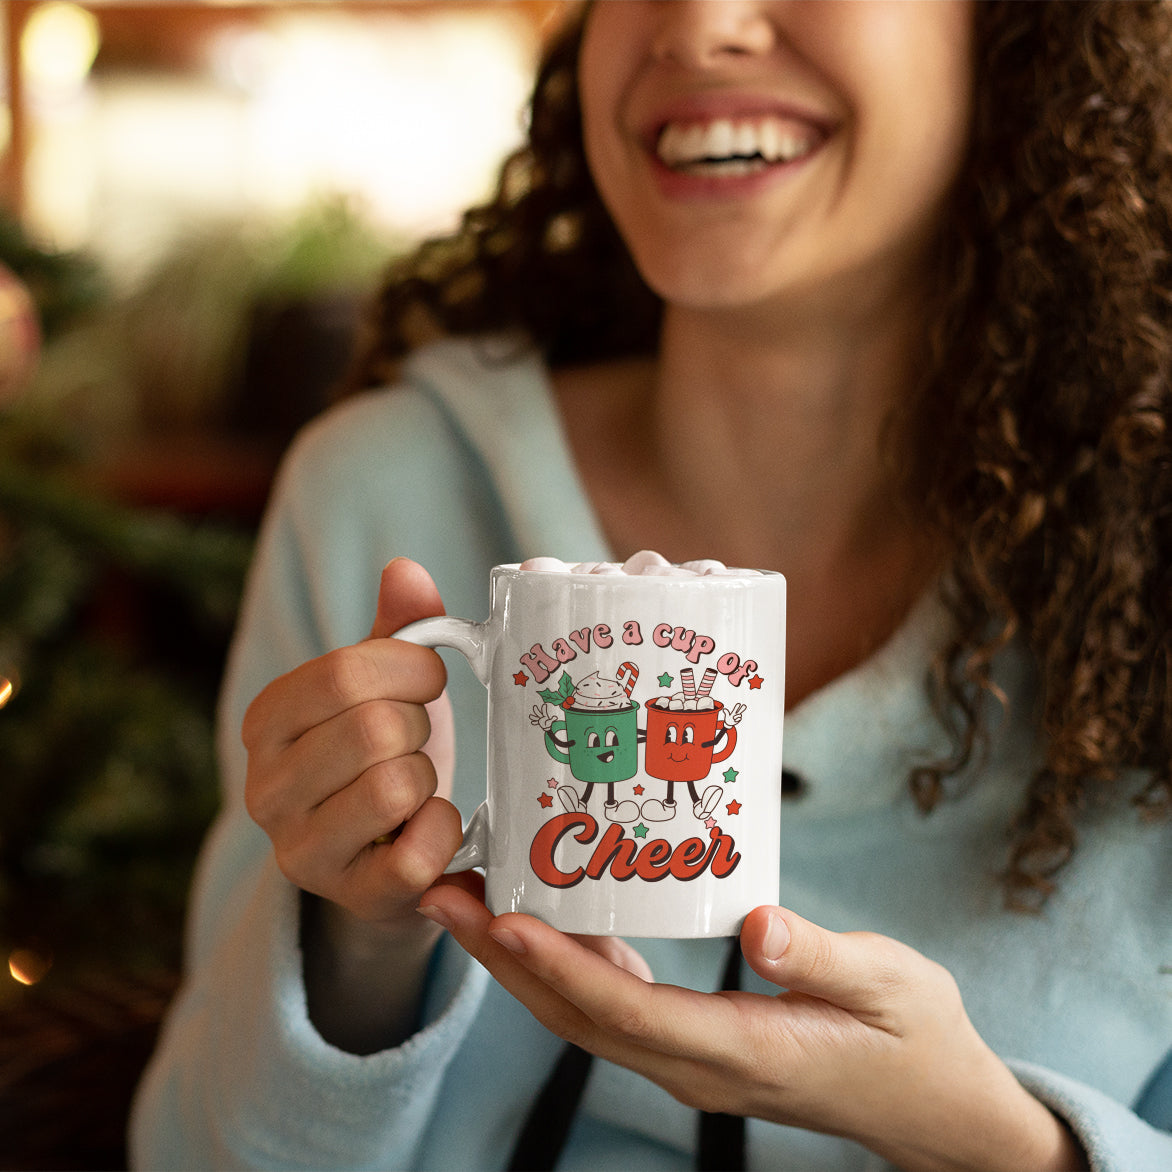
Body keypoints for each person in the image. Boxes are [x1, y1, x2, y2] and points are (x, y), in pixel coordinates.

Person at [131, 2, 1172, 1169]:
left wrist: (990, 1139)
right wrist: (355, 942)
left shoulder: (1142, 575)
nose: (697, 25)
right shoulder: (383, 491)